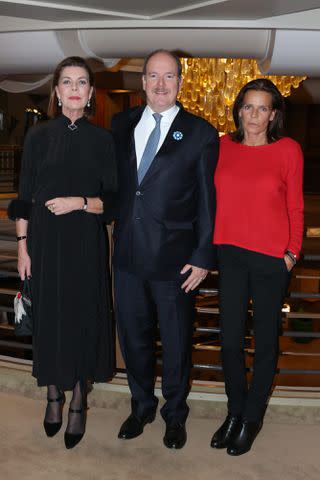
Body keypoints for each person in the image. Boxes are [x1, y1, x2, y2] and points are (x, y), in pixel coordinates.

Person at [111, 49, 219, 449]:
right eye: (153, 76)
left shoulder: (200, 133)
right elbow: (118, 188)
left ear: (180, 82)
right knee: (133, 339)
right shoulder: (120, 124)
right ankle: (141, 407)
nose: (160, 84)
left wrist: (203, 255)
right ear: (142, 82)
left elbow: (208, 201)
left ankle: (175, 414)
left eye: (168, 76)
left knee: (175, 344)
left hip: (176, 261)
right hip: (126, 256)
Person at [8, 56, 117, 449]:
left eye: (81, 82)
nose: (74, 88)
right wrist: (22, 246)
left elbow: (113, 201)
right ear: (56, 91)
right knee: (51, 320)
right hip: (44, 243)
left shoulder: (103, 140)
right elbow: (23, 197)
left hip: (85, 244)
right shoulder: (38, 136)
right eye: (67, 81)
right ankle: (53, 395)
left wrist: (80, 202)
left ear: (90, 93)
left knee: (81, 319)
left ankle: (78, 400)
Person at [211, 78, 304, 455]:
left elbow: (296, 208)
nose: (253, 115)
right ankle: (234, 410)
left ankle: (252, 417)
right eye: (248, 106)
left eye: (262, 108)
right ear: (237, 110)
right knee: (229, 339)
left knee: (265, 342)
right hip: (229, 254)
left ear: (273, 114)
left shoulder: (288, 150)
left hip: (270, 259)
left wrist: (291, 255)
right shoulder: (221, 147)